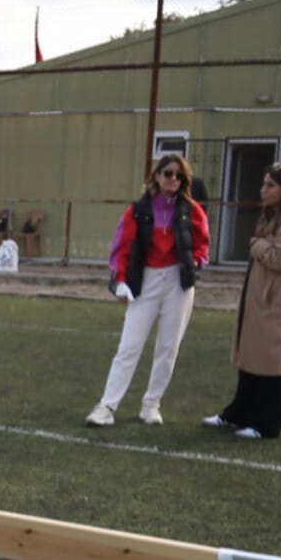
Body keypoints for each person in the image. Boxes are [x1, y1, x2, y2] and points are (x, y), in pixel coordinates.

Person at [86, 154, 210, 427]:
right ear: (156, 175)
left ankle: (151, 404)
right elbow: (121, 248)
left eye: (179, 175)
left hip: (179, 281)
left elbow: (202, 242)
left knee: (168, 347)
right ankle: (107, 405)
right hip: (146, 280)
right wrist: (120, 281)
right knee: (129, 346)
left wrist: (197, 260)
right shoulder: (138, 210)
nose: (173, 179)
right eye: (168, 173)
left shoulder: (191, 209)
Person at [205, 162, 281, 439]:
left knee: (277, 366)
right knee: (252, 360)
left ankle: (267, 424)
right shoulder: (273, 216)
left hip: (280, 305)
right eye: (263, 183)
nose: (263, 190)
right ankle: (238, 413)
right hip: (263, 302)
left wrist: (258, 246)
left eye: (270, 185)